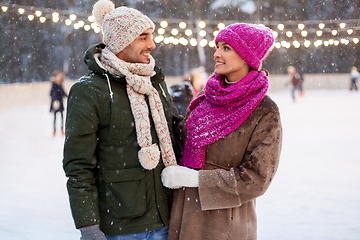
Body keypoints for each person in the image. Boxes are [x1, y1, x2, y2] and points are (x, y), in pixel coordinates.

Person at [63, 1, 182, 239]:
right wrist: (89, 227)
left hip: (168, 218)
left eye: (151, 36)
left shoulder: (153, 81)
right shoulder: (89, 90)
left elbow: (175, 131)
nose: (152, 44)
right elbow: (78, 165)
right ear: (120, 42)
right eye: (143, 37)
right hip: (122, 228)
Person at [161, 23, 283, 240]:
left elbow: (256, 178)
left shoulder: (264, 110)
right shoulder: (205, 101)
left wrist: (198, 180)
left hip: (224, 228)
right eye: (217, 47)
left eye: (226, 48)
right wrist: (172, 111)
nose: (216, 53)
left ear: (247, 57)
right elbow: (178, 146)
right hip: (183, 219)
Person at [49, 70, 67, 136]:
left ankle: (62, 129)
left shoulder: (60, 85)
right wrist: (55, 100)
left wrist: (68, 96)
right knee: (55, 117)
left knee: (62, 117)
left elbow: (63, 93)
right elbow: (51, 94)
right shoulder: (54, 86)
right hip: (55, 103)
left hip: (60, 102)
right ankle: (54, 130)